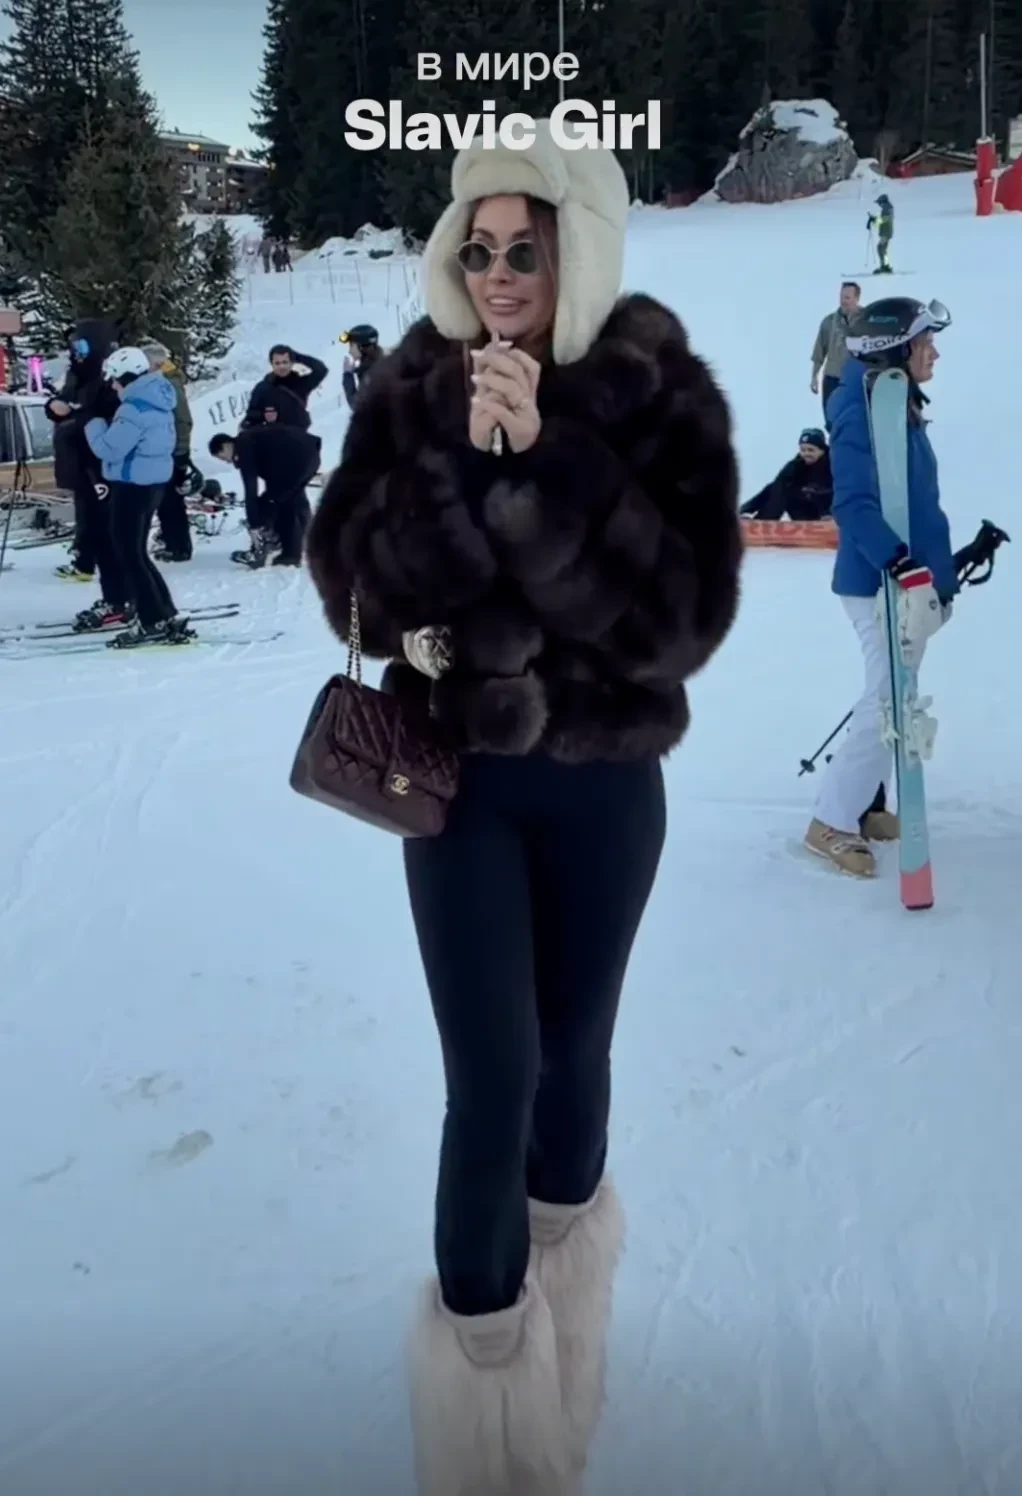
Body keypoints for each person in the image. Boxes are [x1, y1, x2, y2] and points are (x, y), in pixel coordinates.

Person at [305, 119, 742, 1495]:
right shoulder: (414, 382)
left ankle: (570, 1336)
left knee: (571, 1061)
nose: (496, 276)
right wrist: (460, 481)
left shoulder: (657, 386)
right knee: (488, 1079)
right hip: (460, 789)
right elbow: (344, 572)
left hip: (603, 785)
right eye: (477, 249)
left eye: (524, 251)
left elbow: (679, 622)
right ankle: (487, 1420)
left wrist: (549, 464)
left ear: (579, 254)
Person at [805, 297, 956, 878]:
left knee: (894, 694)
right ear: (894, 350)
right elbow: (854, 503)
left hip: (907, 580)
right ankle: (830, 822)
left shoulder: (898, 402)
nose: (934, 353)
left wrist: (941, 571)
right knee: (888, 697)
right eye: (925, 343)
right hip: (877, 581)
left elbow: (912, 498)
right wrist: (901, 566)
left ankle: (867, 806)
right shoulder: (857, 407)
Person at [83, 348, 193, 649]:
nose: (113, 386)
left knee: (129, 555)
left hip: (131, 487)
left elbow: (108, 449)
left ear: (126, 377)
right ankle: (163, 612)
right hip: (153, 484)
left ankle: (152, 619)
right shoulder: (159, 399)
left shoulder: (133, 408)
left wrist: (93, 424)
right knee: (137, 554)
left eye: (114, 380)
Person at [209, 417, 318, 567]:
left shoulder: (244, 448)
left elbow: (250, 489)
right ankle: (283, 544)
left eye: (222, 457)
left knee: (278, 502)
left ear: (226, 445)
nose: (227, 461)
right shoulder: (249, 439)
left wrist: (254, 523)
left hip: (298, 461)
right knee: (281, 498)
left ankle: (282, 552)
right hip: (307, 455)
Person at [140, 339, 194, 562]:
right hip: (167, 450)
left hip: (172, 451)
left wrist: (181, 452)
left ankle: (178, 546)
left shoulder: (169, 384)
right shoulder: (165, 382)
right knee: (167, 501)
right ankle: (174, 542)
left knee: (169, 501)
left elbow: (183, 419)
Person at [740, 427, 833, 520]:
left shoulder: (833, 463)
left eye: (811, 450)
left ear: (822, 450)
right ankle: (763, 521)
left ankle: (828, 519)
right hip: (805, 513)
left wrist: (827, 512)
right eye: (803, 450)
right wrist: (745, 509)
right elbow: (774, 487)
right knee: (780, 487)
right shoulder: (797, 464)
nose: (806, 454)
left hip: (827, 512)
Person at [241, 343, 327, 429]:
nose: (281, 367)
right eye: (277, 363)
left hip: (298, 434)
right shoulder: (262, 388)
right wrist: (263, 416)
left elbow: (321, 370)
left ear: (292, 363)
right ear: (272, 364)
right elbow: (251, 417)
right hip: (272, 435)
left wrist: (296, 356)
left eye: (285, 362)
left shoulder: (301, 384)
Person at [811, 281, 860, 425]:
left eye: (847, 298)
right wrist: (814, 376)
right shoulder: (829, 322)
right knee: (831, 421)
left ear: (856, 298)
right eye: (841, 297)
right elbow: (819, 351)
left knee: (854, 421)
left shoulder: (866, 321)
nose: (843, 301)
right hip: (832, 379)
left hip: (855, 380)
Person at [340, 324, 383, 410]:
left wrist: (347, 375)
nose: (350, 351)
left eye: (352, 346)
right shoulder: (378, 363)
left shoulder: (371, 375)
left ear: (362, 348)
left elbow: (358, 407)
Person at [868, 194, 895, 274]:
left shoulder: (887, 209)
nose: (879, 204)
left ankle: (884, 266)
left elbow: (884, 219)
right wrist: (874, 220)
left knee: (880, 248)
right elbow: (882, 220)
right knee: (883, 249)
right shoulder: (887, 208)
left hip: (886, 233)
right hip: (886, 232)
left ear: (883, 202)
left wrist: (874, 219)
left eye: (879, 202)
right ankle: (886, 266)